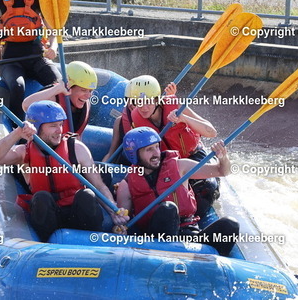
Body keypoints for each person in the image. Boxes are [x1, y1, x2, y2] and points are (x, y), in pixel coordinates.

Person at [0, 100, 129, 242]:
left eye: (60, 124)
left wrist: (113, 211)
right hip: (50, 217)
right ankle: (46, 245)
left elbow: (99, 186)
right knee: (41, 197)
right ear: (36, 127)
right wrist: (17, 133)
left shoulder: (77, 148)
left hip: (77, 213)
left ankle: (91, 242)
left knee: (86, 195)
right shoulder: (24, 152)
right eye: (53, 126)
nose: (59, 130)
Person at [116, 127, 239, 256]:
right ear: (134, 154)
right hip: (156, 238)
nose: (156, 153)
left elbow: (222, 171)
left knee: (230, 224)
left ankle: (211, 264)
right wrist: (120, 228)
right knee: (168, 209)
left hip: (190, 235)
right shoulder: (127, 184)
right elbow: (123, 221)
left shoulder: (180, 166)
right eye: (149, 149)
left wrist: (223, 157)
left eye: (157, 147)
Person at [126, 75, 220, 215]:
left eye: (148, 102)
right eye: (139, 102)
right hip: (167, 163)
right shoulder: (136, 118)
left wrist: (183, 118)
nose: (144, 107)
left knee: (207, 188)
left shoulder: (175, 106)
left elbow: (212, 132)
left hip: (192, 156)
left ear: (157, 99)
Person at [101, 76, 175, 164]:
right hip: (140, 164)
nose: (132, 106)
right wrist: (102, 168)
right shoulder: (120, 122)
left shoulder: (170, 110)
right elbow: (111, 154)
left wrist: (183, 118)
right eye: (131, 101)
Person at [22, 61, 97, 136]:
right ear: (69, 86)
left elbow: (78, 136)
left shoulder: (85, 106)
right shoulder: (54, 97)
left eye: (90, 91)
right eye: (83, 90)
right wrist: (56, 89)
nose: (88, 96)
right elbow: (26, 106)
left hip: (63, 142)